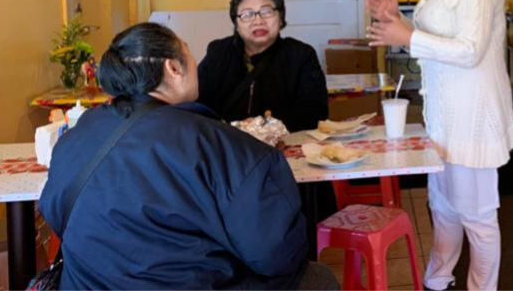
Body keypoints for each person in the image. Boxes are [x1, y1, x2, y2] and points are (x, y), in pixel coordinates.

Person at [39, 23, 340, 291]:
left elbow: (55, 212)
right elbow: (277, 253)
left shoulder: (79, 133)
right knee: (319, 278)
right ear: (173, 68)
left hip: (88, 283)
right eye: (189, 53)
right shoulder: (219, 143)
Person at [367, 0, 513, 291]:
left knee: (478, 217)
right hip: (444, 116)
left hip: (472, 116)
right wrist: (394, 21)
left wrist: (406, 34)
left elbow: (469, 51)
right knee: (445, 207)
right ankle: (437, 280)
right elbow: (431, 42)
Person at [198, 0, 328, 132]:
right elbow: (197, 106)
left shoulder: (301, 55)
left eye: (266, 12)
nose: (258, 21)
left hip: (280, 149)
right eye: (247, 14)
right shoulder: (218, 52)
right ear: (236, 23)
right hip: (228, 147)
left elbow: (315, 114)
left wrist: (260, 128)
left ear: (281, 18)